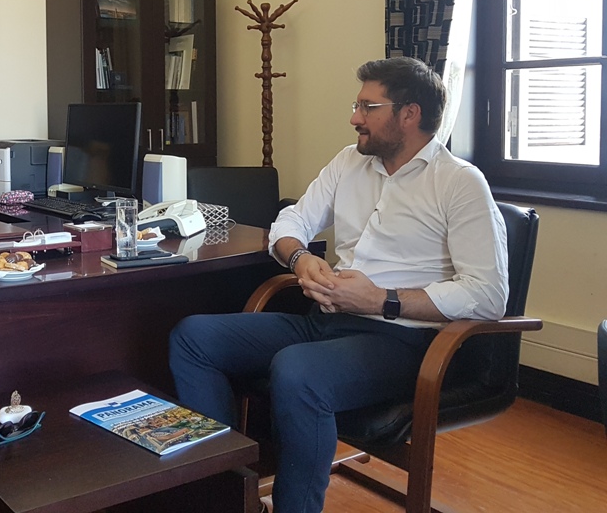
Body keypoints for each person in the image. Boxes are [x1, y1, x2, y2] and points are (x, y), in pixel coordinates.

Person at [168, 57, 509, 513]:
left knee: (298, 371)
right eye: (357, 105)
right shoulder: (349, 162)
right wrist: (300, 257)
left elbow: (488, 294)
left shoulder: (459, 183)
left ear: (409, 114)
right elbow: (290, 221)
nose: (355, 118)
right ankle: (227, 495)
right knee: (194, 337)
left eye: (368, 107)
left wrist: (381, 300)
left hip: (403, 341)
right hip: (326, 322)